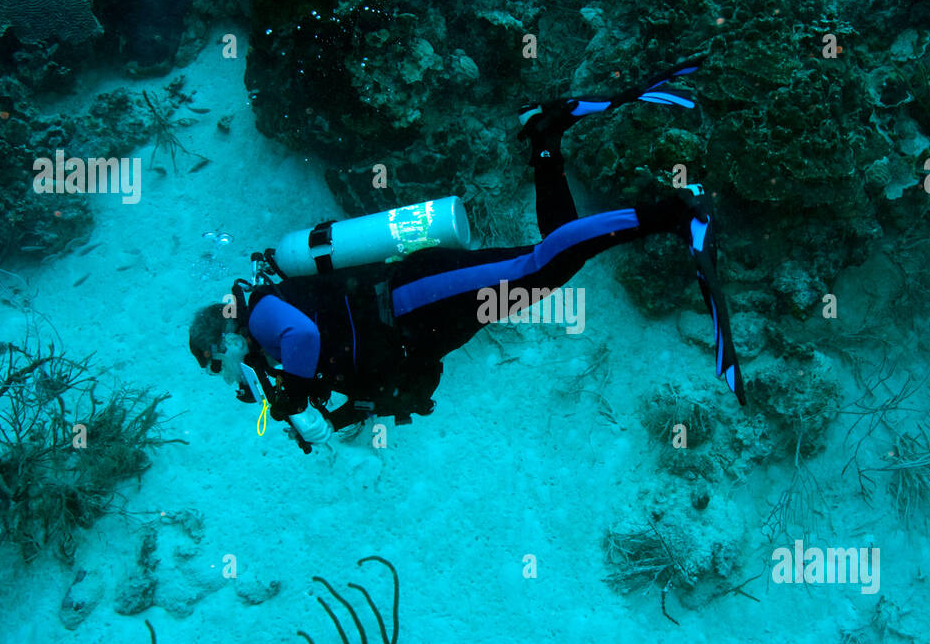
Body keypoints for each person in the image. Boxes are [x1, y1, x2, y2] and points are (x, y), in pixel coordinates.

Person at [188, 58, 745, 452]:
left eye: (216, 364)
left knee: (540, 269)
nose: (225, 376)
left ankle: (673, 212)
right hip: (427, 326)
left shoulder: (258, 311)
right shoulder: (272, 359)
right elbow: (348, 374)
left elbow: (307, 337)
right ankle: (546, 136)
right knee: (544, 263)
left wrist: (300, 391)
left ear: (224, 337)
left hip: (410, 297)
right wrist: (332, 412)